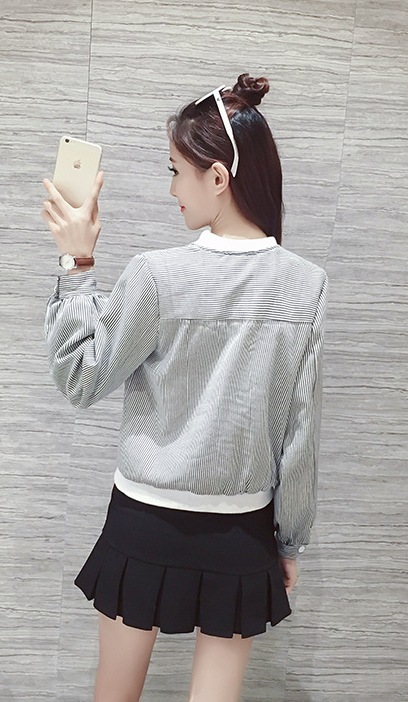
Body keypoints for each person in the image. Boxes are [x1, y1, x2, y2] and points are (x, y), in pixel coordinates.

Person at [40, 73, 328, 702]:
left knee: (114, 695)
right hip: (242, 533)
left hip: (143, 522)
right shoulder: (305, 285)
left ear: (217, 177)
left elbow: (80, 378)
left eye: (176, 171)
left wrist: (76, 262)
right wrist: (289, 539)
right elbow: (300, 433)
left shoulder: (156, 275)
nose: (172, 188)